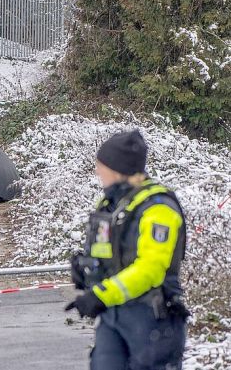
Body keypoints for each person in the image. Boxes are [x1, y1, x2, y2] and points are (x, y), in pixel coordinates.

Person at [66, 130, 188, 370]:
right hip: (114, 317)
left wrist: (102, 294)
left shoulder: (158, 209)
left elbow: (150, 269)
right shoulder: (113, 204)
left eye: (101, 166)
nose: (97, 172)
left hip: (151, 319)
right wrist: (88, 270)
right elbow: (110, 254)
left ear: (118, 169)